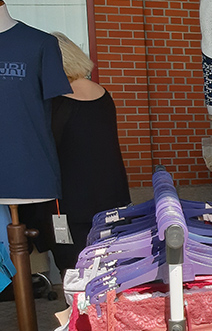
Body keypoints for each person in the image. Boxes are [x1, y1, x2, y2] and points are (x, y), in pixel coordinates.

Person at [23, 33, 131, 272]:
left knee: (74, 271)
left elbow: (43, 151)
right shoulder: (103, 95)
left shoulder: (55, 102)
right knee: (108, 267)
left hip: (69, 203)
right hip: (111, 195)